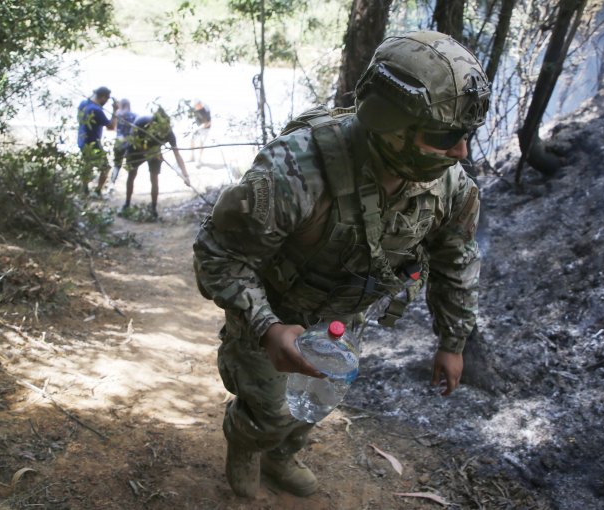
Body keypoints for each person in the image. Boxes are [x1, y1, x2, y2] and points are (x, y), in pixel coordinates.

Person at [192, 31, 490, 498]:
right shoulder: (295, 172)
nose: (461, 152)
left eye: (465, 136)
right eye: (444, 137)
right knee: (269, 408)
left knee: (315, 405)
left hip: (341, 321)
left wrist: (453, 342)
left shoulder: (451, 187)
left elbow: (456, 260)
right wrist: (267, 328)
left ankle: (282, 455)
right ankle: (248, 442)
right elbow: (219, 254)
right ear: (392, 126)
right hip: (275, 309)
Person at [122, 106, 191, 219]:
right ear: (153, 124)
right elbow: (134, 142)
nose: (164, 130)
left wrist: (185, 175)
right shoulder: (141, 123)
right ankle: (127, 203)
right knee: (132, 174)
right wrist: (151, 152)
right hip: (136, 150)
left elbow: (177, 155)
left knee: (154, 178)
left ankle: (153, 208)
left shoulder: (169, 132)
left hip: (155, 153)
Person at [77, 86, 117, 195]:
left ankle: (84, 189)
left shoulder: (83, 104)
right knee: (106, 167)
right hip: (93, 144)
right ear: (103, 97)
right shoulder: (97, 110)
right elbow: (111, 127)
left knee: (88, 165)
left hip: (81, 141)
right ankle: (98, 191)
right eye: (107, 99)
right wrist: (115, 110)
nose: (106, 102)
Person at [111, 98, 139, 186]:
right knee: (131, 167)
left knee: (117, 165)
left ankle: (112, 184)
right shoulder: (135, 116)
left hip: (119, 142)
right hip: (130, 143)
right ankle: (128, 185)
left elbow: (113, 127)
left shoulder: (117, 115)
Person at [188, 100, 212, 164]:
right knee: (191, 140)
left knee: (201, 143)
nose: (195, 107)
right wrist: (193, 126)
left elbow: (208, 123)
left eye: (196, 106)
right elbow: (192, 118)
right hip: (197, 127)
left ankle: (199, 160)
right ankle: (192, 157)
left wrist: (199, 128)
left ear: (200, 104)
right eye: (194, 106)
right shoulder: (194, 109)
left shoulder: (206, 110)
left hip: (205, 129)